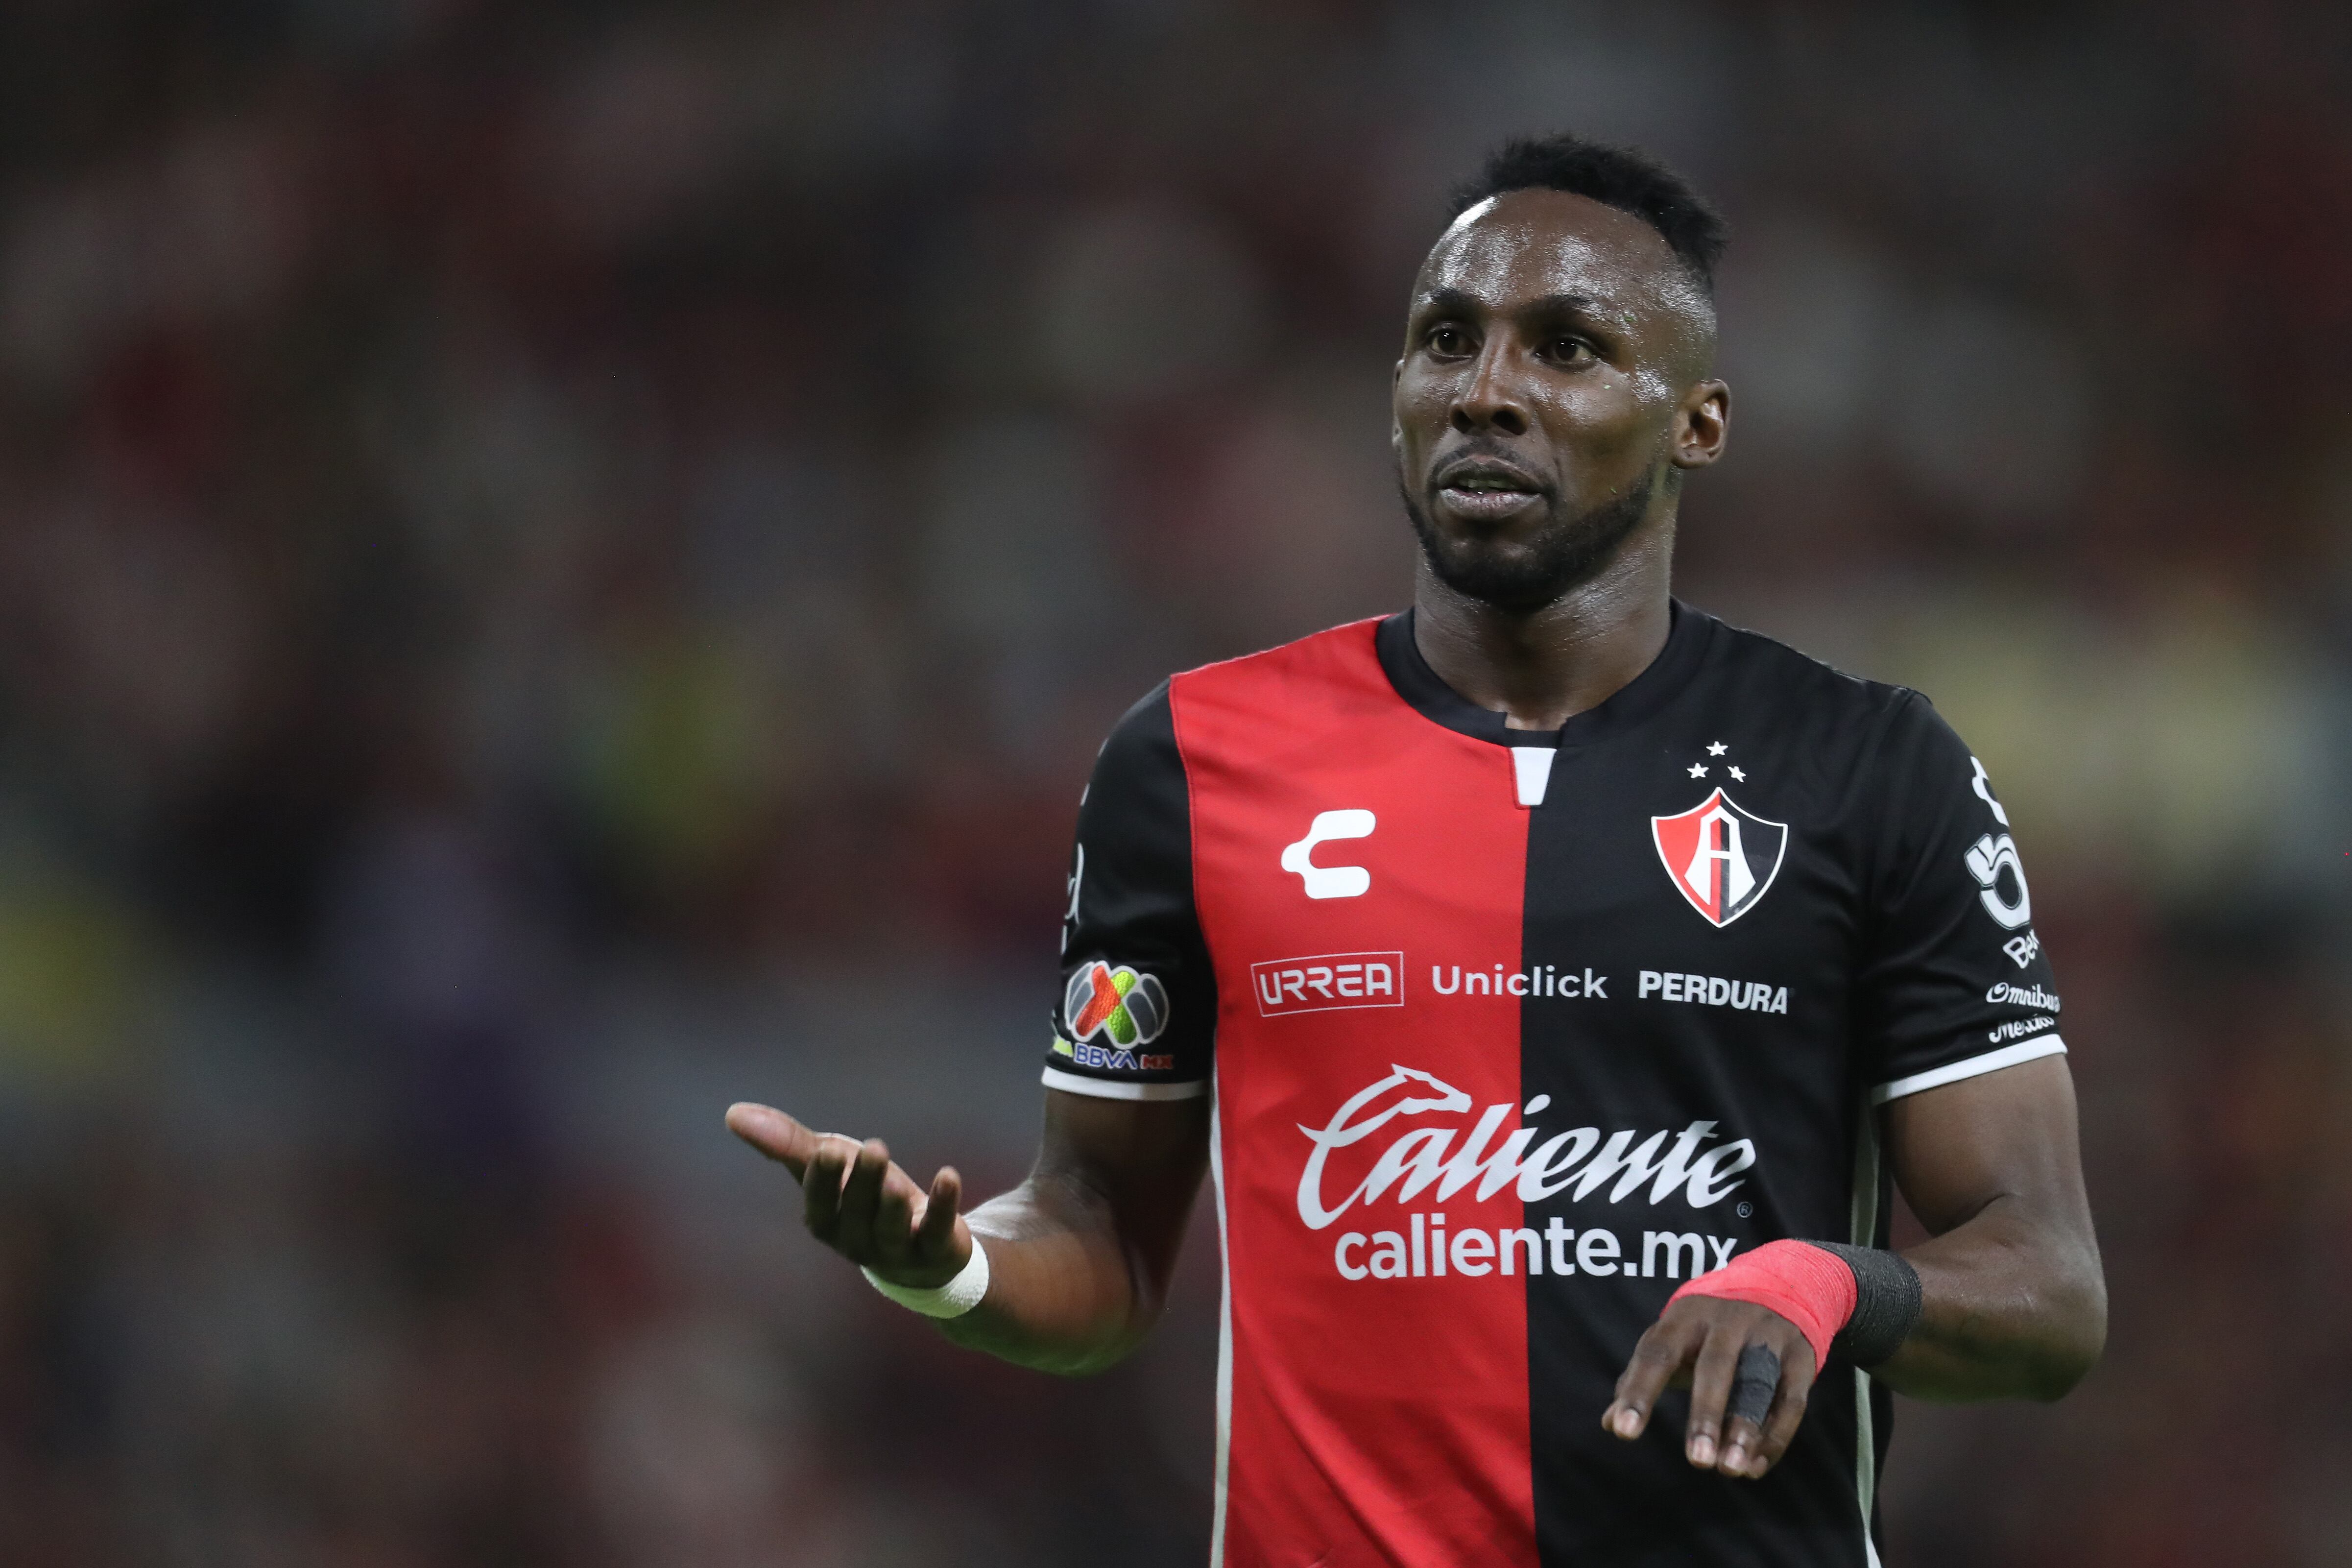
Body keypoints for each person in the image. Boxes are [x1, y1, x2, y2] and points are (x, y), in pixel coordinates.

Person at [726, 132, 2106, 1566]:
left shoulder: (1870, 768)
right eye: (1444, 338)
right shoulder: (1189, 759)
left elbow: (2048, 1292)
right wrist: (948, 1265)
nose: (1486, 389)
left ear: (1696, 421)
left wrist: (1830, 1282)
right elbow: (1098, 1235)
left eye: (1565, 346)